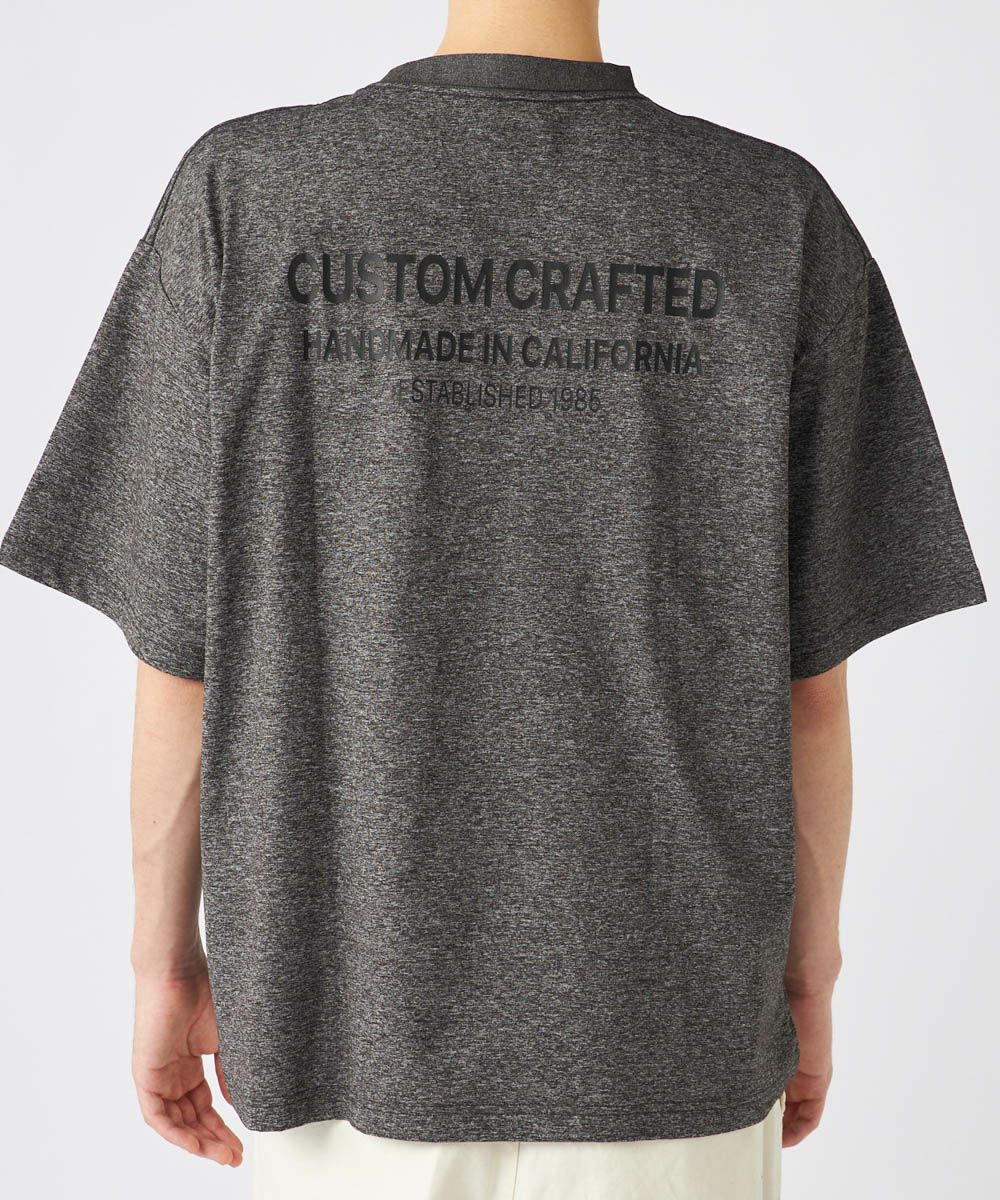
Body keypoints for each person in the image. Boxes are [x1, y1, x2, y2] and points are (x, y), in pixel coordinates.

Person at [0, 0, 987, 1197]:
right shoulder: (771, 214)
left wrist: (164, 970)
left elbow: (180, 661)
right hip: (669, 1043)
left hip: (340, 1040)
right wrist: (806, 981)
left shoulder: (245, 193)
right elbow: (809, 694)